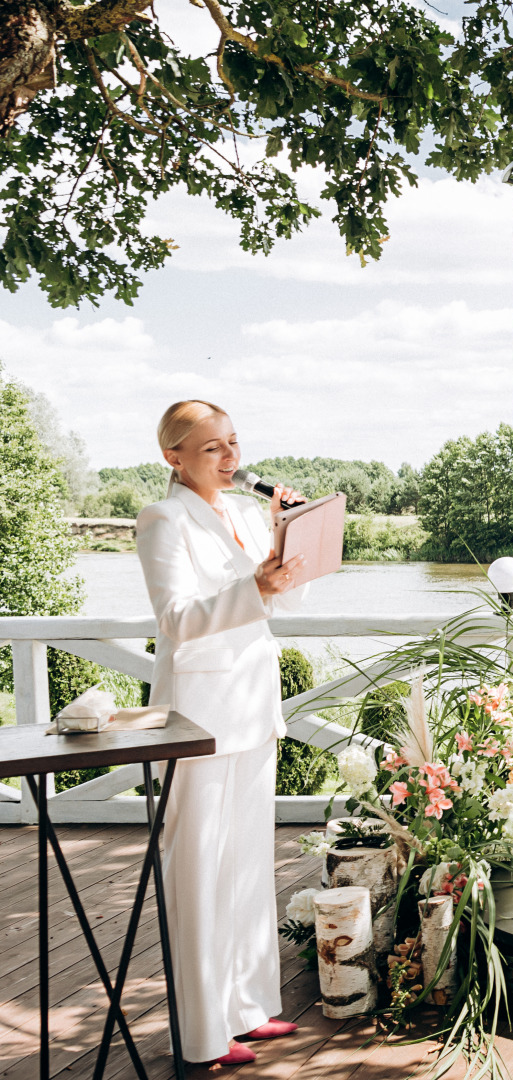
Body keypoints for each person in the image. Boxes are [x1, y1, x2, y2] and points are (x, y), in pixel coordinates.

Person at [135, 401, 306, 1066]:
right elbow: (177, 619)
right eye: (212, 449)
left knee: (243, 871)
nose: (231, 458)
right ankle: (203, 1037)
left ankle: (247, 1009)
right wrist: (255, 588)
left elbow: (281, 597)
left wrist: (287, 539)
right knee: (199, 875)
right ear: (173, 458)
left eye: (233, 443)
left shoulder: (238, 514)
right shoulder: (162, 518)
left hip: (252, 713)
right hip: (198, 720)